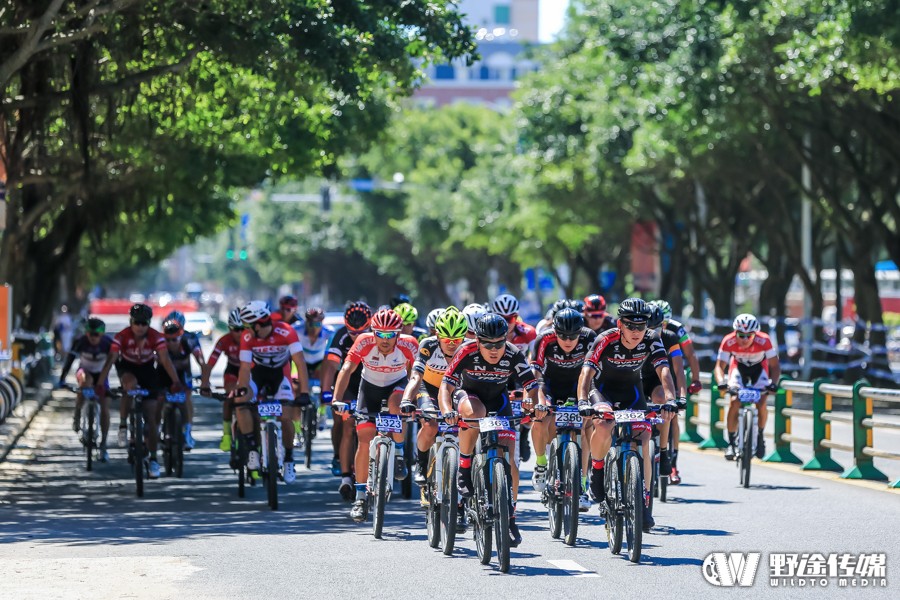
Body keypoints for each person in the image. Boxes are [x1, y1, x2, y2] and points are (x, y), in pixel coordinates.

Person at [576, 298, 678, 531]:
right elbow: (585, 374)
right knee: (603, 424)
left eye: (641, 326)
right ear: (620, 324)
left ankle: (643, 500)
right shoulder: (605, 339)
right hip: (602, 391)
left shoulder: (652, 339)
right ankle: (598, 471)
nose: (636, 332)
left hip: (632, 391)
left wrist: (670, 399)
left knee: (644, 437)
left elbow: (664, 371)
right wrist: (583, 401)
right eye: (630, 326)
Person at [439, 313, 539, 548]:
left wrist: (529, 402)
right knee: (475, 413)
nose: (493, 349)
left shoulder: (514, 353)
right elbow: (446, 385)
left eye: (499, 343)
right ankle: (464, 466)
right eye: (487, 344)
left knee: (511, 462)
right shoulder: (466, 351)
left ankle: (511, 515)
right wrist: (446, 410)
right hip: (469, 397)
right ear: (478, 341)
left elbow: (531, 385)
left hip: (499, 400)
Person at [331, 309, 419, 522]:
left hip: (396, 385)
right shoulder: (363, 341)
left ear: (399, 334)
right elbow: (346, 369)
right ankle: (360, 498)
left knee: (397, 405)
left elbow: (417, 374)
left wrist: (415, 400)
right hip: (368, 388)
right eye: (380, 334)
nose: (385, 339)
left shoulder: (410, 344)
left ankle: (399, 453)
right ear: (373, 332)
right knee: (364, 438)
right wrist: (336, 400)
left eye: (390, 335)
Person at [95, 303, 183, 479]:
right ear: (131, 322)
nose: (140, 327)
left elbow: (165, 360)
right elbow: (111, 359)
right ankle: (122, 424)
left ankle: (153, 459)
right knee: (130, 385)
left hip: (147, 370)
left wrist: (176, 382)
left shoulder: (155, 337)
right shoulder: (122, 336)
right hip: (127, 368)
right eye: (137, 323)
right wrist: (100, 383)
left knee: (151, 418)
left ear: (149, 323)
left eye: (144, 323)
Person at [234, 301, 311, 484]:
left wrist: (304, 392)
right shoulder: (247, 337)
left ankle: (289, 459)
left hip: (280, 375)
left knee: (286, 416)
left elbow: (299, 362)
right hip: (257, 375)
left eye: (247, 325)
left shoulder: (286, 331)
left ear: (258, 324)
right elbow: (245, 369)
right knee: (240, 401)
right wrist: (243, 391)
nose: (245, 329)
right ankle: (253, 449)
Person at [529, 308, 597, 511]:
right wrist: (539, 400)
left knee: (585, 425)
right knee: (540, 418)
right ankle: (541, 463)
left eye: (573, 336)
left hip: (579, 386)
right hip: (549, 385)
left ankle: (583, 484)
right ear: (554, 331)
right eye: (562, 335)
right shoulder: (544, 339)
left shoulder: (589, 338)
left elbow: (596, 370)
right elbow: (535, 372)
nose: (568, 340)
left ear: (580, 332)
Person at [322, 301, 372, 498]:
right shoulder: (340, 336)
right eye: (352, 332)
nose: (357, 337)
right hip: (349, 384)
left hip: (371, 382)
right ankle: (345, 477)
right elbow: (331, 367)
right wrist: (327, 392)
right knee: (347, 425)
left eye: (362, 331)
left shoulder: (376, 336)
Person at [714, 313, 781, 461]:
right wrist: (721, 382)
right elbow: (719, 366)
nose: (744, 339)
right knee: (734, 401)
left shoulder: (764, 340)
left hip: (760, 369)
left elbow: (775, 367)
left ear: (755, 334)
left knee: (762, 402)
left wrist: (774, 383)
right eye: (740, 335)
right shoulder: (728, 341)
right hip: (739, 368)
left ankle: (760, 437)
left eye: (749, 335)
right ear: (735, 332)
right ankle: (731, 443)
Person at [58, 317, 113, 461]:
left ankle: (104, 444)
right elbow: (69, 360)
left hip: (101, 375)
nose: (93, 338)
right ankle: (77, 413)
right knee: (85, 381)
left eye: (97, 335)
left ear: (102, 334)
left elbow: (117, 363)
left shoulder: (108, 343)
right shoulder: (80, 341)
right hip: (85, 371)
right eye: (90, 334)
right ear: (86, 333)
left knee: (105, 406)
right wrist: (62, 379)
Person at [643, 303, 687, 481]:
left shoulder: (670, 338)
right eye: (647, 328)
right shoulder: (634, 336)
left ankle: (664, 453)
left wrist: (681, 396)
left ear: (663, 326)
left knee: (665, 405)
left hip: (658, 378)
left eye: (655, 328)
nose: (650, 332)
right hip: (634, 378)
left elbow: (678, 370)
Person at [158, 316, 206, 450]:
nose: (171, 343)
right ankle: (157, 427)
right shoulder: (159, 341)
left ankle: (187, 431)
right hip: (163, 372)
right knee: (158, 398)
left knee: (186, 397)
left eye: (174, 340)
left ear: (181, 335)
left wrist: (205, 379)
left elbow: (200, 358)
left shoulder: (189, 339)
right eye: (168, 339)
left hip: (183, 373)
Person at [200, 308, 244, 451]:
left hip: (250, 371)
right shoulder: (224, 340)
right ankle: (226, 435)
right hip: (232, 370)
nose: (239, 333)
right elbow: (210, 363)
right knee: (230, 397)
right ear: (230, 328)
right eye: (235, 329)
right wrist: (204, 384)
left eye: (242, 329)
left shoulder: (253, 339)